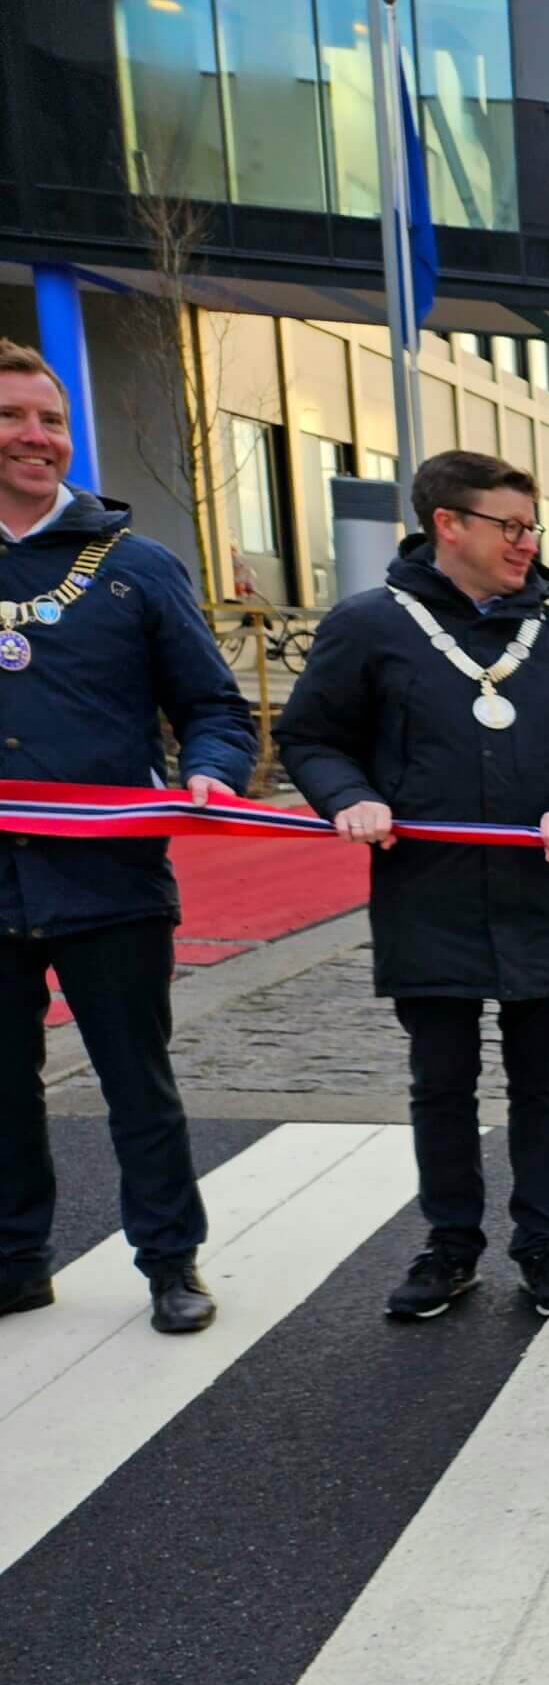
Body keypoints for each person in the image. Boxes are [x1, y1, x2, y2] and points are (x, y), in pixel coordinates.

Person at [277, 450, 549, 1323]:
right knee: (439, 1083)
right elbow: (312, 738)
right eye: (508, 526)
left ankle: (542, 1242)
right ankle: (450, 1246)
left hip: (546, 892)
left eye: (531, 528)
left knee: (543, 1082)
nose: (526, 544)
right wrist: (351, 795)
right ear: (449, 524)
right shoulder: (370, 627)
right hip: (428, 893)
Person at [0, 340, 255, 1333]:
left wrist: (210, 771)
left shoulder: (136, 566)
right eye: (14, 417)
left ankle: (170, 1262)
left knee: (137, 1083)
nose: (36, 436)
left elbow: (214, 706)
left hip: (109, 879)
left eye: (50, 419)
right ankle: (16, 1259)